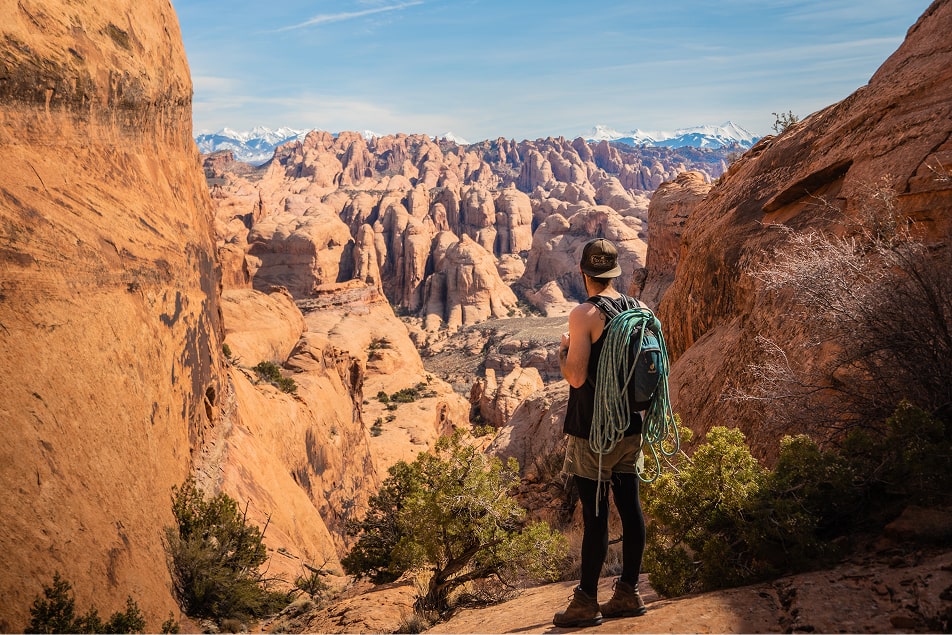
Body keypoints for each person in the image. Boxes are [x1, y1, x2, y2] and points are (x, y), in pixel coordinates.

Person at [553, 237, 648, 628]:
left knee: (594, 519)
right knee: (630, 509)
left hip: (594, 433)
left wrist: (563, 351)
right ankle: (628, 591)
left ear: (583, 272)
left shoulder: (584, 315)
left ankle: (586, 602)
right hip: (630, 428)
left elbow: (576, 376)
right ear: (615, 272)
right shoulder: (638, 308)